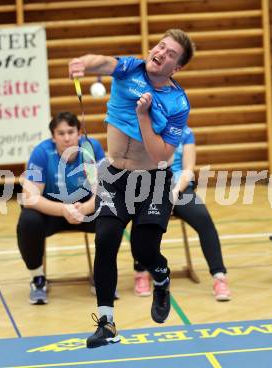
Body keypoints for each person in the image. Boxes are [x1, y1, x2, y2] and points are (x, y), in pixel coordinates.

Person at [68, 29, 195, 348]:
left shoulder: (177, 102)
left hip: (153, 180)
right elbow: (103, 62)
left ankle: (162, 280)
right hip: (114, 176)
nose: (161, 53)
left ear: (175, 68)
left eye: (170, 54)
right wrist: (82, 63)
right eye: (161, 46)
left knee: (144, 249)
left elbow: (162, 154)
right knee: (106, 237)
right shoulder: (130, 68)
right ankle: (106, 323)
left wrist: (142, 116)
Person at [133, 126, 231, 301]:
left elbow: (188, 170)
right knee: (142, 219)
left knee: (204, 220)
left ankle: (219, 277)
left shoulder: (184, 132)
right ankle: (141, 272)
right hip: (152, 189)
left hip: (180, 190)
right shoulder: (144, 130)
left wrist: (174, 192)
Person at [16, 111, 105, 305]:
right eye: (61, 133)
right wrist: (63, 210)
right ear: (53, 137)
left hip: (85, 210)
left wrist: (87, 208)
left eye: (70, 132)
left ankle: (102, 277)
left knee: (111, 214)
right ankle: (38, 279)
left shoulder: (91, 149)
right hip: (52, 213)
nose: (66, 138)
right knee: (28, 220)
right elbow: (29, 198)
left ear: (79, 133)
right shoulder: (42, 153)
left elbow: (102, 191)